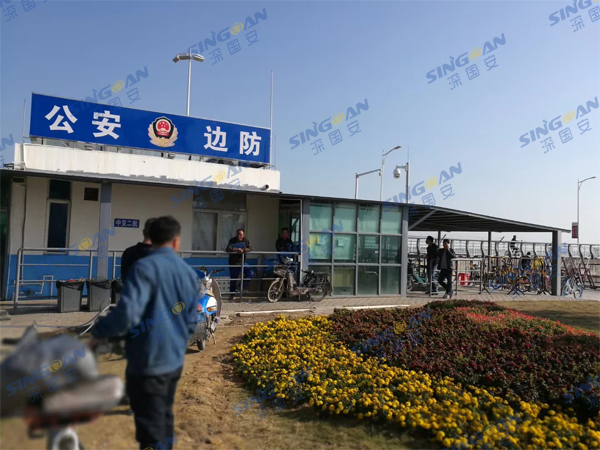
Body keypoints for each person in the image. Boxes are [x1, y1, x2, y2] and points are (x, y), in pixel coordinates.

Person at [91, 216, 200, 450]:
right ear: (176, 241)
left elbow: (126, 315)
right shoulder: (188, 273)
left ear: (150, 236)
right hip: (173, 360)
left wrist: (99, 331)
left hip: (147, 362)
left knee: (151, 429)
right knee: (164, 416)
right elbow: (193, 319)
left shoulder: (143, 268)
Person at [226, 229, 254, 299]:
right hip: (234, 263)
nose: (239, 236)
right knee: (233, 279)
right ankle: (232, 294)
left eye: (241, 235)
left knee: (250, 273)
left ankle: (240, 287)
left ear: (243, 235)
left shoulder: (246, 240)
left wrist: (243, 250)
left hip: (242, 262)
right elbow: (228, 248)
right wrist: (236, 249)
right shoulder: (232, 240)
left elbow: (250, 248)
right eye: (238, 234)